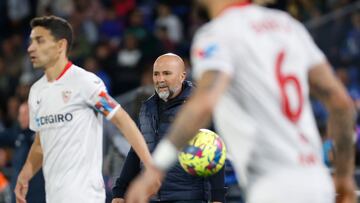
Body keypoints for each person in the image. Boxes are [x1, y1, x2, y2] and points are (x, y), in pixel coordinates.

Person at [125, 1, 357, 203]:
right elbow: (342, 104)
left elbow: (204, 102)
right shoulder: (288, 26)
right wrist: (345, 177)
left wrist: (156, 166)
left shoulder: (217, 34)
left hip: (273, 185)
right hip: (317, 181)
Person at [14, 15, 153, 203]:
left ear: (60, 45)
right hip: (53, 197)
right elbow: (40, 143)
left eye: (39, 41)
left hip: (85, 196)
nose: (31, 48)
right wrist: (24, 175)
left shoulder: (86, 83)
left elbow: (122, 120)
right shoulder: (36, 91)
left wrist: (150, 166)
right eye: (31, 41)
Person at [112, 53, 226, 203]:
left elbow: (215, 152)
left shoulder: (198, 107)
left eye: (166, 73)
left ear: (182, 76)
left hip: (190, 198)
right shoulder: (146, 108)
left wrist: (218, 198)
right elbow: (136, 151)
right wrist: (120, 191)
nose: (160, 80)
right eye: (156, 74)